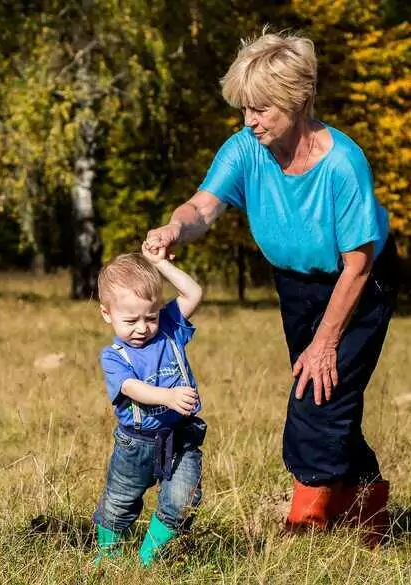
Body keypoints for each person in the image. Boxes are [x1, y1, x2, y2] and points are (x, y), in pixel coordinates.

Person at [144, 30, 399, 544]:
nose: (249, 121)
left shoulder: (343, 165)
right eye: (244, 109)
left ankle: (306, 520)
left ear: (297, 100)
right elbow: (202, 208)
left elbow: (358, 265)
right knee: (331, 396)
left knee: (315, 396)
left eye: (260, 109)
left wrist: (326, 340)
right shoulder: (246, 149)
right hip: (296, 285)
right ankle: (368, 505)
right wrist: (176, 227)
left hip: (357, 283)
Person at [93, 248, 207, 567]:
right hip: (136, 443)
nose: (142, 327)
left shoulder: (170, 327)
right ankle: (107, 557)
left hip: (181, 437)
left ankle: (149, 559)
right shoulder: (113, 356)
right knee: (119, 502)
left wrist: (160, 265)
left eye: (150, 316)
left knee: (183, 498)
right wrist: (168, 397)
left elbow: (193, 292)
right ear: (107, 314)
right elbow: (131, 388)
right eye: (130, 320)